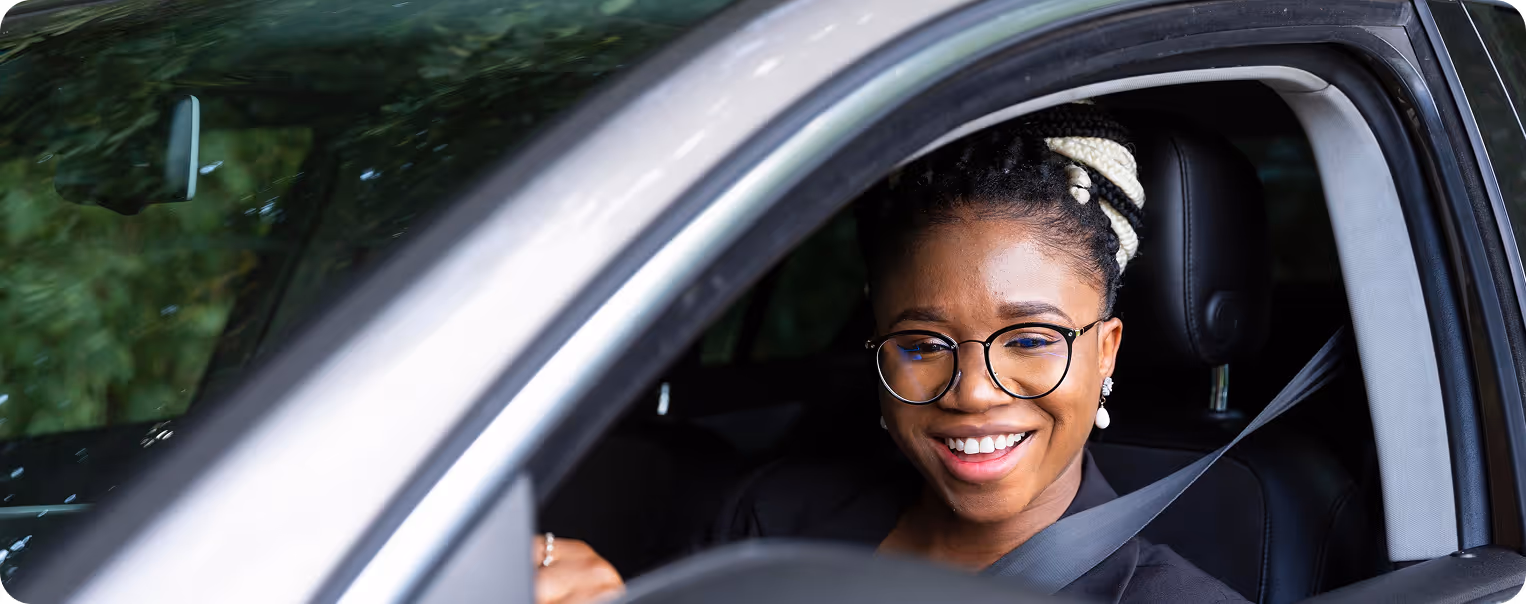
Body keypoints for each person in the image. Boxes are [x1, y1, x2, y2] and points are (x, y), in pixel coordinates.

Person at [531, 103, 1251, 604]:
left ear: (1106, 352)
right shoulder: (772, 517)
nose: (972, 391)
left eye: (1031, 340)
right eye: (922, 344)